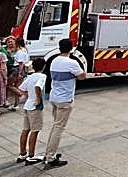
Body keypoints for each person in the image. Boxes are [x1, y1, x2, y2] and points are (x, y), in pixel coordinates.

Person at [44, 38, 86, 169]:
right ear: (72, 48)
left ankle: (49, 153)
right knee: (58, 128)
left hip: (54, 98)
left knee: (55, 126)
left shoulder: (54, 61)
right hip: (65, 100)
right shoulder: (71, 63)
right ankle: (50, 157)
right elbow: (82, 76)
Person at [17, 58, 47, 166]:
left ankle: (22, 153)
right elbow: (38, 87)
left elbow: (22, 89)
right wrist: (38, 100)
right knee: (35, 131)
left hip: (27, 106)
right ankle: (31, 156)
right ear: (44, 67)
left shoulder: (30, 77)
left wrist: (28, 96)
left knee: (25, 130)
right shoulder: (42, 76)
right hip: (35, 107)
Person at [7, 37, 29, 111]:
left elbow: (20, 63)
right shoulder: (24, 50)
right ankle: (16, 104)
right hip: (22, 69)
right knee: (17, 86)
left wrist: (19, 73)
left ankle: (21, 95)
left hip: (17, 69)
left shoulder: (20, 51)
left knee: (9, 85)